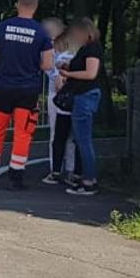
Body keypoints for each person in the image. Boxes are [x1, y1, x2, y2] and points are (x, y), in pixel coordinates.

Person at [0, 0, 55, 189]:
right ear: (35, 7)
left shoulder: (3, 27)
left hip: (4, 85)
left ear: (17, 4)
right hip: (28, 88)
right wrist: (32, 66)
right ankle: (16, 177)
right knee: (23, 132)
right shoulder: (41, 32)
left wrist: (5, 62)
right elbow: (48, 64)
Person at [56, 16, 105, 195]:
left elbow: (90, 73)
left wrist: (69, 74)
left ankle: (89, 180)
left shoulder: (92, 49)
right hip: (83, 95)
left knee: (83, 140)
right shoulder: (86, 49)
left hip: (85, 95)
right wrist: (68, 66)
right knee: (80, 139)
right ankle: (85, 178)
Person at [42, 17, 81, 186]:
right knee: (59, 133)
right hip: (57, 94)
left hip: (67, 93)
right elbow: (48, 67)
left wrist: (60, 75)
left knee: (66, 133)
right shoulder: (49, 47)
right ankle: (58, 168)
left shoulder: (73, 47)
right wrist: (57, 75)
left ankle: (66, 169)